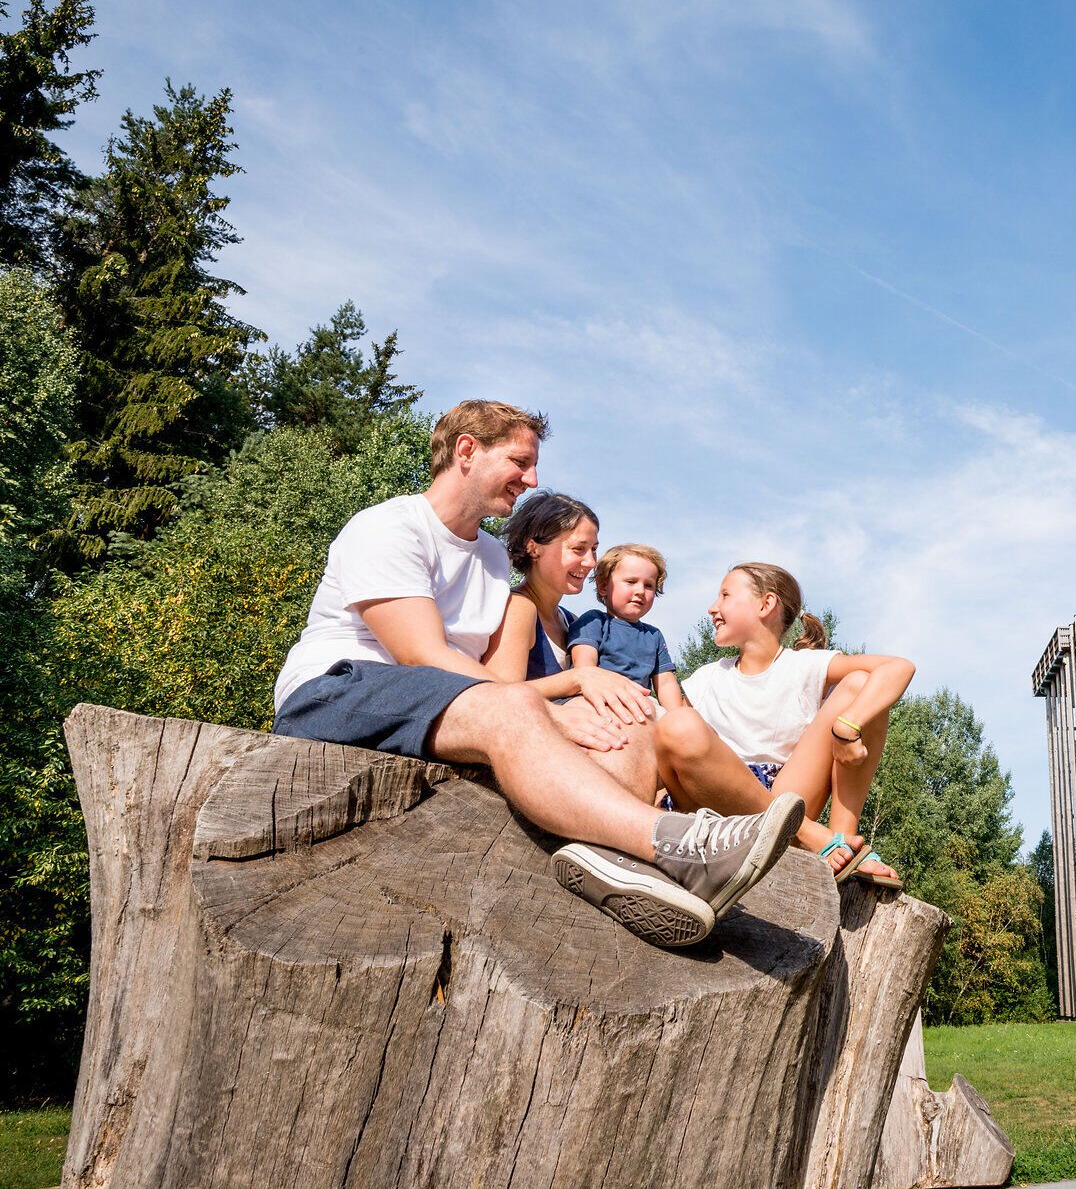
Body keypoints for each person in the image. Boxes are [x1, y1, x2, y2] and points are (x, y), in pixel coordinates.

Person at [270, 400, 801, 947]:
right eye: (520, 461)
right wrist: (550, 709)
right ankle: (680, 845)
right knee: (521, 705)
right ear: (467, 451)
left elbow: (478, 675)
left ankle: (610, 860)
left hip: (432, 716)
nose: (532, 478)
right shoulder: (391, 526)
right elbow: (420, 655)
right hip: (337, 692)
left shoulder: (491, 560)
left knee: (631, 719)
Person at [655, 562, 910, 887]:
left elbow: (897, 668)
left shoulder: (804, 666)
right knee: (678, 726)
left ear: (766, 604)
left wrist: (848, 726)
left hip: (789, 796)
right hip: (727, 810)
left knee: (861, 685)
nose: (712, 607)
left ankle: (843, 839)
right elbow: (678, 753)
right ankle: (811, 836)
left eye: (725, 595)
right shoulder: (706, 680)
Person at [568, 543, 684, 713]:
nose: (640, 591)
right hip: (600, 697)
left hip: (641, 701)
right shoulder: (594, 621)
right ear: (603, 586)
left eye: (649, 585)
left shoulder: (653, 635)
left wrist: (676, 715)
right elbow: (585, 667)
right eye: (631, 582)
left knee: (687, 723)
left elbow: (665, 682)